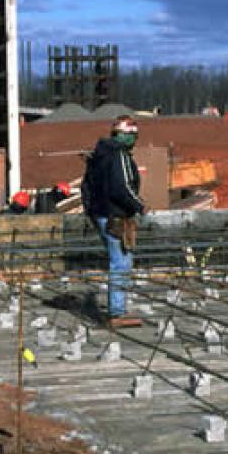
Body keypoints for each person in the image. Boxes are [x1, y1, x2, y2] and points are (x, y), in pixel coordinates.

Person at [84, 116, 145, 327]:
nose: (134, 140)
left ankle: (117, 309)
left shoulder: (99, 155)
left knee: (119, 260)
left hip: (101, 214)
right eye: (133, 136)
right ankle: (117, 313)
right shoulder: (119, 155)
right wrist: (139, 205)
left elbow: (86, 188)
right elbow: (122, 187)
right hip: (115, 216)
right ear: (126, 136)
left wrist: (91, 212)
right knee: (120, 262)